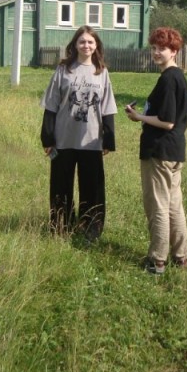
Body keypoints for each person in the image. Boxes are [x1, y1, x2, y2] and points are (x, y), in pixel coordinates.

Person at [40, 25, 117, 241]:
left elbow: (107, 107)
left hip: (91, 140)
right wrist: (47, 137)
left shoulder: (101, 72)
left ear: (96, 46)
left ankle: (90, 227)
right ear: (75, 44)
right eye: (82, 41)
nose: (86, 45)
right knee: (60, 186)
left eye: (90, 42)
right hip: (63, 139)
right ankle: (61, 226)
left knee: (92, 187)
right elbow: (51, 105)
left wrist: (108, 139)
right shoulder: (64, 70)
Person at [125, 27, 187, 274]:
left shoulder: (169, 79)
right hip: (174, 151)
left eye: (161, 48)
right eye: (153, 48)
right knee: (174, 205)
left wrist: (138, 116)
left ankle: (157, 260)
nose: (156, 52)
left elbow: (167, 121)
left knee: (158, 206)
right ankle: (181, 256)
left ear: (174, 51)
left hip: (160, 152)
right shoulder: (177, 77)